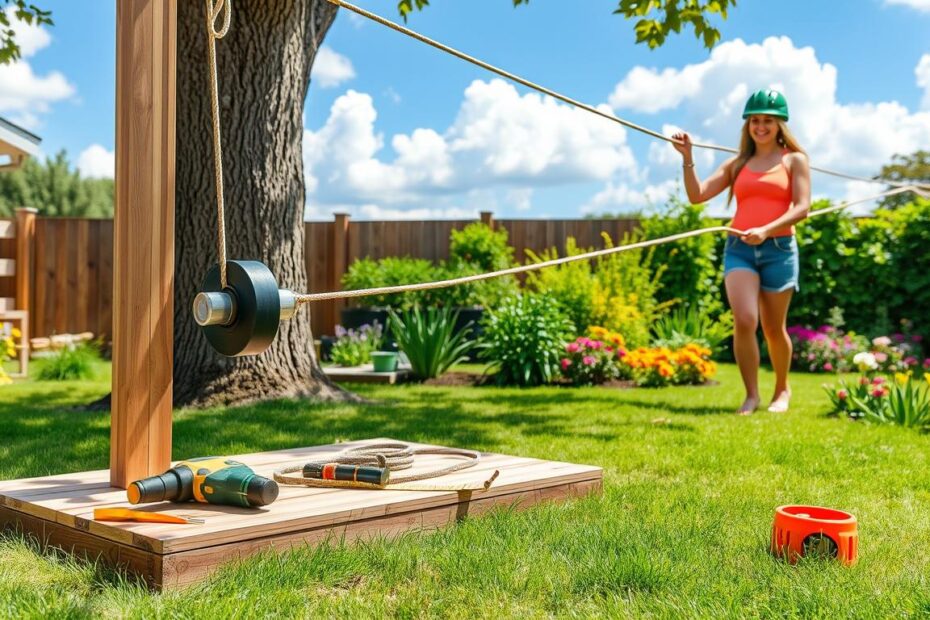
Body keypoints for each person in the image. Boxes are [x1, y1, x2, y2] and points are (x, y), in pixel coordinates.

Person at [671, 89, 811, 415]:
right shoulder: (738, 163)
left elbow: (803, 207)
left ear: (780, 125)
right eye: (755, 120)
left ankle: (782, 390)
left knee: (774, 329)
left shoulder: (794, 160)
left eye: (768, 120)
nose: (760, 126)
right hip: (740, 248)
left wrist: (766, 228)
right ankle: (751, 395)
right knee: (745, 319)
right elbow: (697, 195)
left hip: (779, 249)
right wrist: (687, 158)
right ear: (748, 123)